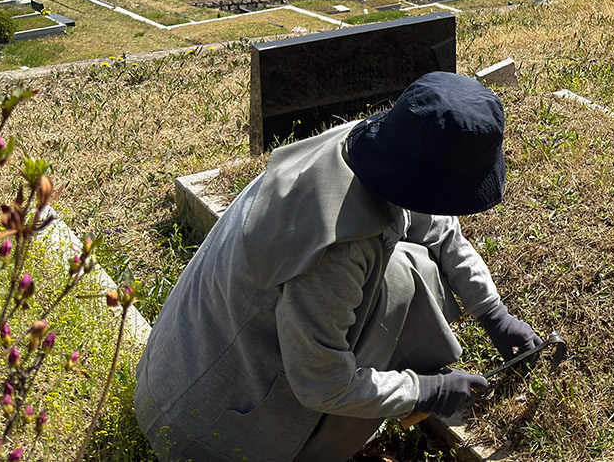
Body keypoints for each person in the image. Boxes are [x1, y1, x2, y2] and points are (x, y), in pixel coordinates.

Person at [135, 73, 538, 462]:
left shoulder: (369, 147)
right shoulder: (335, 252)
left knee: (413, 267)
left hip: (171, 375)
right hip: (206, 434)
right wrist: (422, 391)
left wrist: (493, 313)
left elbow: (438, 227)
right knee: (408, 280)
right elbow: (321, 384)